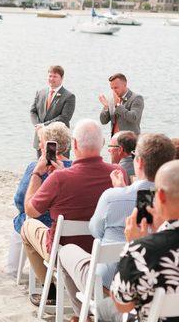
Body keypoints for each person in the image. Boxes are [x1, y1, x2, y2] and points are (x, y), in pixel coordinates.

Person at [58, 133, 176, 322]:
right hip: (166, 306)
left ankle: (84, 315)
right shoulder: (154, 210)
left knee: (67, 254)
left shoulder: (114, 199)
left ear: (138, 162)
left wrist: (134, 244)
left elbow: (122, 302)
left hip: (127, 298)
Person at [21, 119, 126, 306]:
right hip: (102, 251)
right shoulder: (118, 173)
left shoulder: (60, 178)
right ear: (102, 144)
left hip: (64, 250)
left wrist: (37, 174)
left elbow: (30, 209)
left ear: (75, 144)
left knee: (28, 225)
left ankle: (50, 287)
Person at [110, 160, 179, 321]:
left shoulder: (140, 251)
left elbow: (123, 304)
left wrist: (133, 246)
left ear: (160, 195)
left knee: (103, 308)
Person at [7, 122, 72, 276]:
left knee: (21, 218)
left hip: (41, 225)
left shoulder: (35, 167)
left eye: (41, 143)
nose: (39, 146)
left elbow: (20, 200)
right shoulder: (74, 168)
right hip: (66, 227)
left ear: (47, 146)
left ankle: (13, 270)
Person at [30, 65, 75, 157]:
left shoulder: (69, 96)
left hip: (59, 140)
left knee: (58, 169)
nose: (51, 79)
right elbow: (33, 111)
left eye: (55, 76)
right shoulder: (40, 92)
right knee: (41, 167)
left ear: (62, 78)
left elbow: (64, 118)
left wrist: (44, 125)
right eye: (50, 76)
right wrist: (38, 126)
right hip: (40, 138)